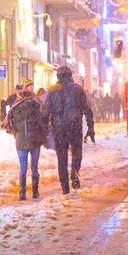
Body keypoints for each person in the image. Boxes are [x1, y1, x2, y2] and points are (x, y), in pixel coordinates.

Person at [42, 66, 94, 194]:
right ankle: (75, 171)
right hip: (75, 127)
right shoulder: (78, 89)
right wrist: (90, 127)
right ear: (70, 75)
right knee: (77, 151)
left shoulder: (51, 91)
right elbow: (87, 110)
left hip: (58, 129)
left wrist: (44, 130)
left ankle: (65, 187)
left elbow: (44, 113)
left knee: (62, 157)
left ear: (58, 76)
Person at [6, 84, 46, 200]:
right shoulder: (37, 106)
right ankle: (35, 192)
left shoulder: (15, 107)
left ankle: (22, 193)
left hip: (21, 140)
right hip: (35, 140)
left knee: (23, 167)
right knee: (34, 166)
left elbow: (10, 125)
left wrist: (17, 134)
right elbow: (43, 123)